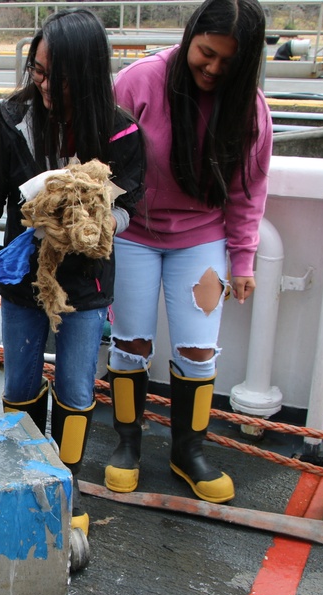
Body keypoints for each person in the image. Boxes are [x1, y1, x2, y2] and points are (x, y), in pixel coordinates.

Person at [0, 9, 145, 535]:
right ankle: (21, 477)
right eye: (36, 70)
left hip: (86, 286)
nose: (40, 83)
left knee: (74, 387)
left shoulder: (121, 133)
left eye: (53, 75)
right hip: (24, 281)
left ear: (86, 75)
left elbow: (129, 205)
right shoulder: (14, 119)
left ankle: (65, 488)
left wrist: (90, 221)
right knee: (19, 381)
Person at [108, 0, 273, 504]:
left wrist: (243, 260)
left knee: (198, 350)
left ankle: (188, 452)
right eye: (206, 54)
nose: (214, 68)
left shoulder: (250, 108)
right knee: (130, 343)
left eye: (229, 62)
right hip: (132, 233)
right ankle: (127, 445)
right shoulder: (139, 82)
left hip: (201, 238)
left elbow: (249, 190)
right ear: (190, 36)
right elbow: (100, 162)